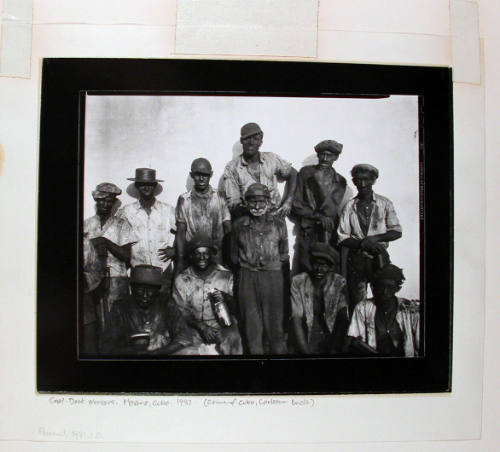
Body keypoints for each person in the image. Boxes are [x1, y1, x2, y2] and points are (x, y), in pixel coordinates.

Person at [230, 183, 289, 354]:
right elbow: (233, 256)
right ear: (246, 203)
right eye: (252, 201)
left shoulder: (278, 224)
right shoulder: (239, 225)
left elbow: (284, 253)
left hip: (273, 278)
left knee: (275, 326)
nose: (257, 206)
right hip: (247, 277)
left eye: (261, 201)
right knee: (251, 326)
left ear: (269, 202)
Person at [337, 164, 402, 313]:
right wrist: (363, 244)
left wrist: (375, 239)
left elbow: (397, 231)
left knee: (383, 295)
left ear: (373, 180)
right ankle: (359, 333)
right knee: (357, 300)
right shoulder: (350, 206)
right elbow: (342, 236)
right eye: (358, 180)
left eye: (367, 180)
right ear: (354, 182)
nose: (363, 184)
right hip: (357, 259)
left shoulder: (384, 203)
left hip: (379, 257)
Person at [83, 182, 136, 353]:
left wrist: (105, 242)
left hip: (116, 279)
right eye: (102, 201)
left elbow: (128, 256)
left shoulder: (122, 225)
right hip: (91, 281)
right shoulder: (86, 225)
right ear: (96, 201)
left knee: (115, 324)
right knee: (94, 323)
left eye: (109, 201)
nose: (105, 204)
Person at [172, 234, 243, 355]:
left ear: (212, 254)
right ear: (190, 256)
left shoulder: (226, 276)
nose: (202, 257)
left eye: (206, 253)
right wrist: (201, 327)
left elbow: (239, 309)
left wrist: (227, 298)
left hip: (223, 327)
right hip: (194, 327)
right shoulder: (182, 279)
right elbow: (181, 311)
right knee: (179, 350)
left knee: (233, 337)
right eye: (197, 253)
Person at [102, 265, 195, 356]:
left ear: (158, 290)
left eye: (151, 289)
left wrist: (158, 353)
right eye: (140, 289)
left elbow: (184, 337)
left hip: (162, 355)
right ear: (132, 288)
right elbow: (107, 347)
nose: (145, 295)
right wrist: (133, 353)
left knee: (189, 351)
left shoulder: (166, 303)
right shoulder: (120, 307)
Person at [292, 139, 350, 274]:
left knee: (329, 268)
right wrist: (318, 216)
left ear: (336, 157)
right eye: (322, 155)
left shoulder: (340, 181)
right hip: (309, 230)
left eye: (329, 155)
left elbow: (334, 208)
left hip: (330, 231)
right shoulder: (306, 173)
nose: (325, 159)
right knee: (307, 267)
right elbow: (297, 204)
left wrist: (328, 221)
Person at [117, 168, 176, 292]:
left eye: (150, 184)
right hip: (137, 269)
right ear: (137, 186)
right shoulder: (126, 211)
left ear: (154, 186)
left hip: (163, 269)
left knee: (162, 305)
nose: (146, 187)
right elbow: (120, 240)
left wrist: (175, 249)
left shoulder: (168, 210)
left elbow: (183, 232)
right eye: (142, 184)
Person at [222, 122, 298, 219]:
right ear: (241, 141)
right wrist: (251, 209)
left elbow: (293, 173)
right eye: (247, 138)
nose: (251, 142)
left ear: (261, 142)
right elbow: (233, 202)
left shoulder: (271, 159)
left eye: (255, 139)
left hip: (274, 217)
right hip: (248, 219)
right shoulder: (232, 167)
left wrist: (288, 201)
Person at [346, 264, 420, 357]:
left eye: (390, 287)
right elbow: (354, 340)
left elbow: (419, 345)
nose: (385, 291)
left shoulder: (410, 310)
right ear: (374, 287)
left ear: (397, 288)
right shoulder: (362, 307)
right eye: (381, 286)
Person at [290, 243, 349, 354]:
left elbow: (342, 319)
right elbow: (296, 319)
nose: (319, 269)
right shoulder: (298, 282)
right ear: (311, 264)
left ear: (331, 268)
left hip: (331, 336)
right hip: (307, 334)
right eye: (316, 264)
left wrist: (334, 349)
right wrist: (305, 351)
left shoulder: (338, 282)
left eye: (325, 265)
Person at [175, 158, 231, 274]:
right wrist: (180, 259)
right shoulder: (184, 199)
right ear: (192, 175)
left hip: (216, 253)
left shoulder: (220, 196)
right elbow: (181, 231)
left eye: (205, 175)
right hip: (193, 254)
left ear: (211, 175)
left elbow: (227, 227)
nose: (201, 178)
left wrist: (229, 254)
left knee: (216, 287)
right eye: (197, 175)